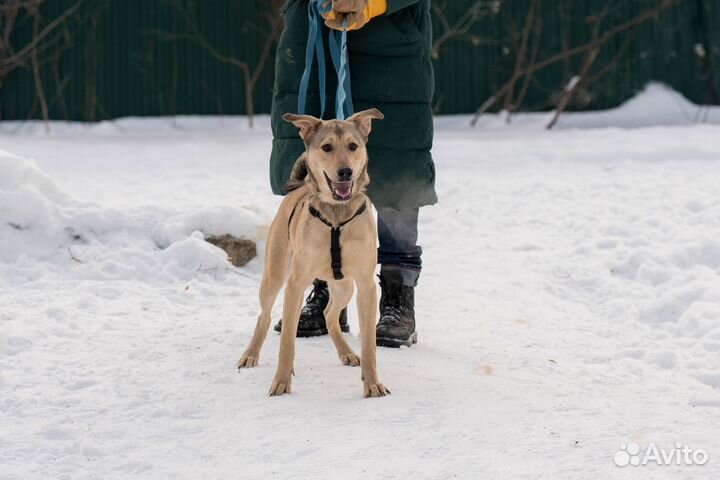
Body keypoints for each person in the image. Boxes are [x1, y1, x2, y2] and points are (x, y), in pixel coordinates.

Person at [270, 0, 436, 347]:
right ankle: (326, 288)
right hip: (313, 41)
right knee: (318, 170)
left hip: (390, 47)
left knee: (396, 174)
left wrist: (373, 3)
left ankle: (397, 294)